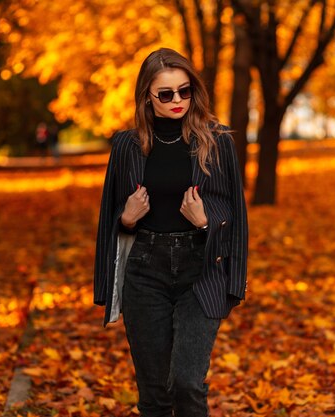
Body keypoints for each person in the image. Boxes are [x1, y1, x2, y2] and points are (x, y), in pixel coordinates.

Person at [94, 47, 248, 417]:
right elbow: (110, 217)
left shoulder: (217, 141)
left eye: (185, 90)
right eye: (165, 94)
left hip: (201, 268)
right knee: (154, 394)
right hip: (146, 270)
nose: (177, 100)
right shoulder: (127, 146)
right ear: (147, 96)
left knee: (187, 383)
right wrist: (127, 218)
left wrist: (205, 220)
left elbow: (237, 216)